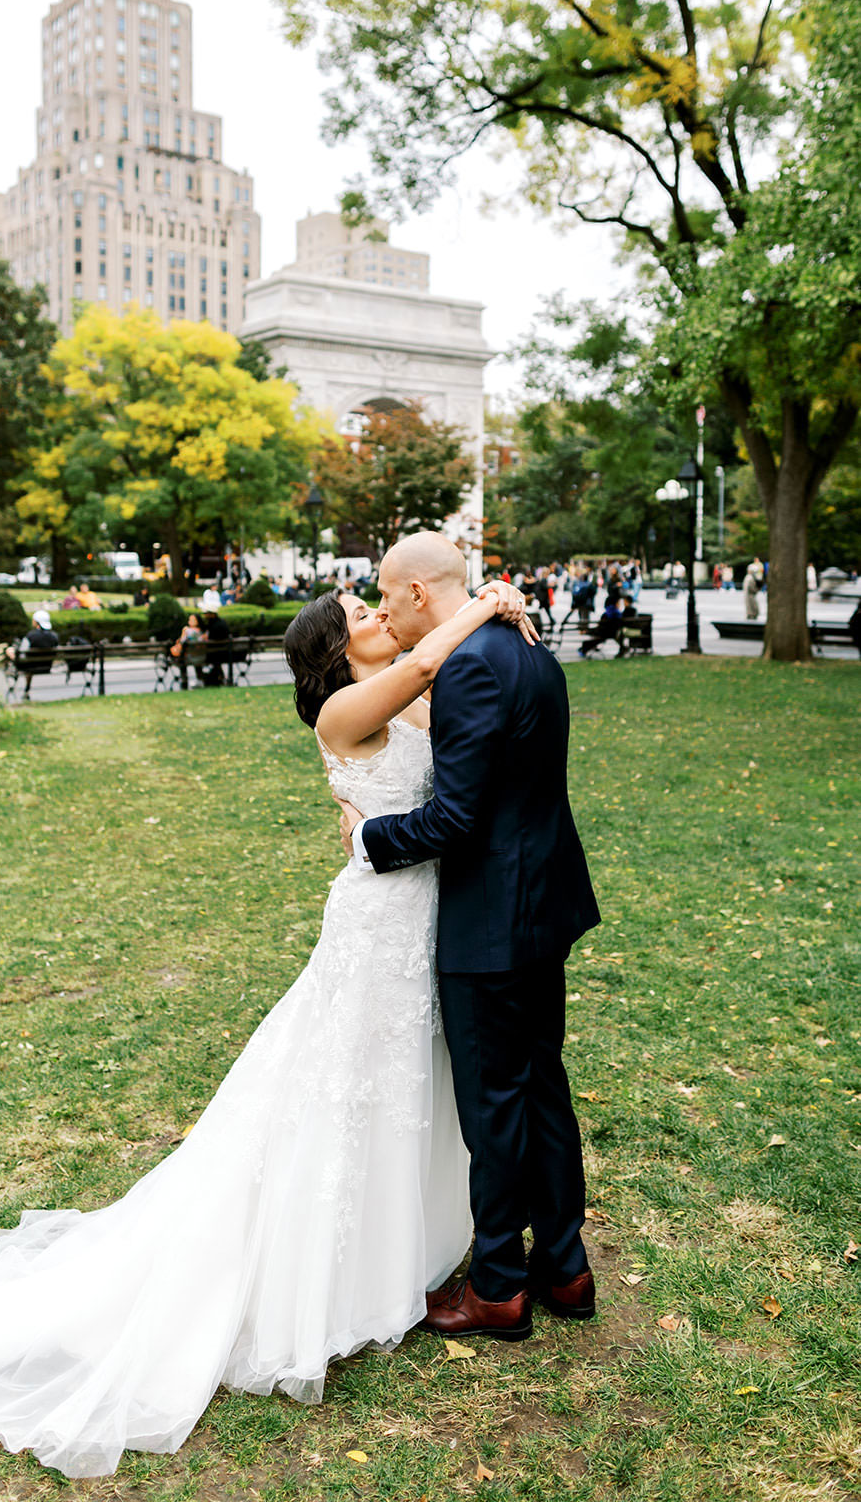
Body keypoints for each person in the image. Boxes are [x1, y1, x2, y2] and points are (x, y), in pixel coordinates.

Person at [0, 561, 540, 1476]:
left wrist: (486, 627)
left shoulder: (404, 699)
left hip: (426, 909)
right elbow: (434, 658)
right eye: (359, 612)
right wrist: (480, 601)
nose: (376, 614)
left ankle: (414, 1237)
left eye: (375, 604)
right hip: (375, 922)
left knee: (408, 1077)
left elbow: (459, 737)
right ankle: (321, 1264)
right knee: (348, 1076)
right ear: (332, 650)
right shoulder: (343, 713)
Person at [336, 532, 599, 1344]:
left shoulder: (472, 666)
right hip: (542, 903)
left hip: (492, 918)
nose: (381, 608)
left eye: (386, 593)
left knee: (493, 1106)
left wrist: (366, 841)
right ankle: (563, 1266)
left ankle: (496, 1287)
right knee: (541, 1090)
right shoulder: (522, 647)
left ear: (419, 592)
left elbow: (456, 817)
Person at [6, 609, 59, 700]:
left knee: (9, 650)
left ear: (37, 622)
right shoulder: (54, 636)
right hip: (47, 666)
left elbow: (22, 652)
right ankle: (27, 688)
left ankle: (12, 670)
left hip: (30, 666)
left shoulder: (31, 635)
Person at [579, 593, 629, 658]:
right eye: (618, 602)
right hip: (610, 632)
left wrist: (588, 631)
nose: (619, 604)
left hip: (606, 633)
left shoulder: (607, 613)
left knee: (596, 638)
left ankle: (583, 648)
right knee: (597, 637)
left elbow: (601, 626)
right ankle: (623, 648)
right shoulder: (617, 613)